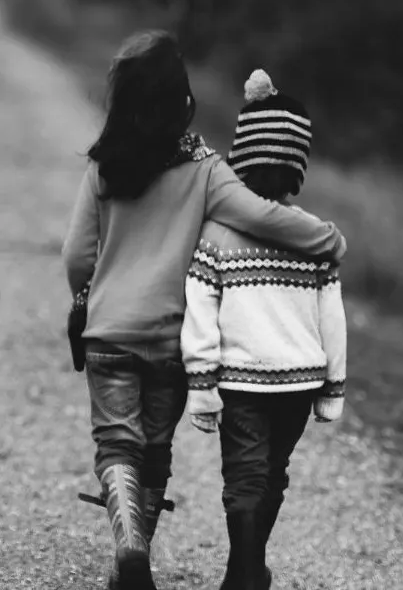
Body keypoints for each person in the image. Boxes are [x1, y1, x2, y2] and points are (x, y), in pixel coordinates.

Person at [62, 35, 346, 590]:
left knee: (117, 443)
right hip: (170, 340)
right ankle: (136, 551)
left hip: (108, 335)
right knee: (154, 449)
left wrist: (87, 296)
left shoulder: (103, 167)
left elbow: (77, 255)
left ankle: (131, 549)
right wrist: (328, 238)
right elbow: (263, 216)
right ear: (182, 100)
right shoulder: (205, 169)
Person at [181, 68, 347, 590]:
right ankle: (246, 570)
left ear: (241, 158)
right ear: (298, 163)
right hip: (300, 382)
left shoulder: (216, 235)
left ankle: (245, 571)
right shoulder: (315, 239)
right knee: (273, 473)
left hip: (241, 382)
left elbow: (199, 305)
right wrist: (334, 387)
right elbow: (332, 318)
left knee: (245, 478)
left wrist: (201, 382)